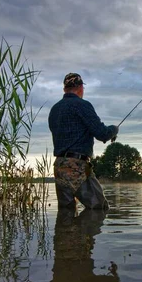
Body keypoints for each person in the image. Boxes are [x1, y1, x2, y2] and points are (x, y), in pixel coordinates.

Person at [48, 72, 119, 209]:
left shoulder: (54, 110)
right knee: (99, 209)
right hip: (77, 166)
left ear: (64, 89)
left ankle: (67, 231)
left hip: (59, 166)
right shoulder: (82, 105)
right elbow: (102, 133)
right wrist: (114, 129)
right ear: (81, 88)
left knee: (66, 212)